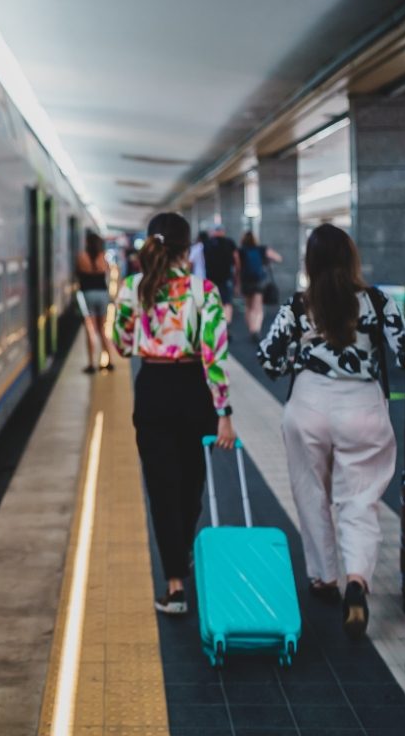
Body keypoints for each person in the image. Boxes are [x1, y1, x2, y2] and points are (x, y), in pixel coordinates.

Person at [257, 224, 405, 640]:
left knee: (311, 492)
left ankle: (324, 577)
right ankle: (357, 580)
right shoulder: (376, 301)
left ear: (309, 263)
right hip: (363, 407)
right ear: (352, 259)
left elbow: (271, 362)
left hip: (309, 407)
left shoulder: (299, 305)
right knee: (360, 499)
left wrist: (304, 348)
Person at [114, 212, 236, 616]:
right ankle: (181, 551)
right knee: (190, 487)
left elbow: (122, 344)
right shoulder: (204, 291)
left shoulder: (133, 288)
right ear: (188, 250)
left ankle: (174, 586)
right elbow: (214, 356)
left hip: (153, 390)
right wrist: (224, 412)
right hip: (194, 392)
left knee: (162, 490)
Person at [76, 231, 117, 373]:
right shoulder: (103, 257)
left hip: (87, 294)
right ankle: (109, 361)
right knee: (103, 329)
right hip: (102, 294)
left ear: (87, 243)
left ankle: (91, 364)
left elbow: (78, 274)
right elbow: (109, 273)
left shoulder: (82, 257)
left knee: (90, 330)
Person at [238, 231, 283, 339]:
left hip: (246, 281)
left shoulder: (241, 251)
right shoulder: (261, 249)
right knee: (257, 308)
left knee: (248, 306)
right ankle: (256, 329)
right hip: (258, 281)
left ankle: (251, 328)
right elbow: (278, 258)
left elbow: (238, 268)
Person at [203, 224, 241, 322]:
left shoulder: (207, 243)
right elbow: (236, 260)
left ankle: (214, 323)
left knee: (212, 302)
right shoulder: (229, 242)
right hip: (226, 277)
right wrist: (237, 276)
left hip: (210, 277)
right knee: (227, 302)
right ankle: (226, 325)